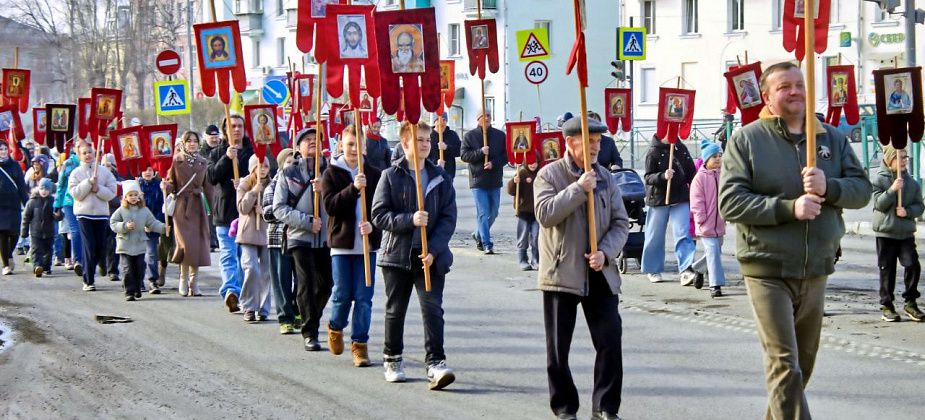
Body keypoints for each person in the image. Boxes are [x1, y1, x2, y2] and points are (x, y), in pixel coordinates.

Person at [719, 61, 871, 419]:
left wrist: (829, 187)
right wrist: (789, 208)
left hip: (816, 266)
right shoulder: (748, 139)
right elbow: (730, 201)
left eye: (799, 84)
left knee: (802, 366)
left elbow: (862, 190)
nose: (795, 91)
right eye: (784, 86)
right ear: (768, 98)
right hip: (767, 266)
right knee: (785, 365)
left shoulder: (830, 137)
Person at [534, 117, 629, 420]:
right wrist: (577, 188)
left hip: (599, 271)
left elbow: (620, 222)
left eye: (599, 142)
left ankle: (605, 407)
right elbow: (546, 214)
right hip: (563, 273)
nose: (595, 147)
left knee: (610, 340)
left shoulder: (606, 177)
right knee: (559, 348)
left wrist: (606, 252)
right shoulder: (549, 175)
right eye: (589, 141)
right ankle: (564, 407)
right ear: (570, 142)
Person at [370, 121, 457, 389]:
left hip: (429, 255)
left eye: (427, 139)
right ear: (405, 143)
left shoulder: (440, 178)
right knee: (396, 310)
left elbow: (448, 217)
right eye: (419, 139)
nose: (425, 144)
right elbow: (378, 215)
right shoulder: (391, 176)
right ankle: (393, 358)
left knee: (432, 309)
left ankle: (435, 362)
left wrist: (434, 249)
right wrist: (410, 219)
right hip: (397, 254)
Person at [321, 126, 382, 367]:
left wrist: (373, 228)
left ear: (365, 146)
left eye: (359, 144)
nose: (355, 149)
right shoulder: (332, 174)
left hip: (367, 247)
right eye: (350, 145)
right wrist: (353, 188)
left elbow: (380, 209)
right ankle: (335, 326)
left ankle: (360, 344)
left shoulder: (375, 174)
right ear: (341, 146)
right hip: (342, 245)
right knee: (342, 295)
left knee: (364, 298)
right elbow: (331, 206)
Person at [274, 128, 333, 352]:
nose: (312, 143)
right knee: (306, 283)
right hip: (300, 236)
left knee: (326, 284)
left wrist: (324, 190)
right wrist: (307, 221)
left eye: (316, 139)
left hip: (326, 238)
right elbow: (279, 208)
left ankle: (312, 318)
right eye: (307, 140)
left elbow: (339, 201)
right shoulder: (288, 173)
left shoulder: (330, 171)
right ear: (298, 147)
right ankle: (310, 333)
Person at [871, 146, 924, 322]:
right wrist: (892, 190)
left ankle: (910, 302)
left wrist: (907, 211)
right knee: (887, 269)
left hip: (905, 233)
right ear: (889, 159)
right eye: (899, 157)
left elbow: (919, 206)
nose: (903, 161)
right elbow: (879, 204)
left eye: (905, 157)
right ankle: (887, 305)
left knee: (912, 265)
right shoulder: (879, 180)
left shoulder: (911, 183)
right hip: (886, 232)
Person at [209, 115, 253, 310]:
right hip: (225, 210)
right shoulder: (217, 152)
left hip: (246, 212)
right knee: (228, 254)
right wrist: (227, 158)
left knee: (245, 256)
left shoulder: (252, 152)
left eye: (240, 126)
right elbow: (212, 177)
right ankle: (230, 291)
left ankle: (243, 292)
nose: (236, 130)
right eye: (232, 126)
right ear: (226, 130)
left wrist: (244, 183)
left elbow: (261, 175)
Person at [641, 133, 697, 284]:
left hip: (680, 197)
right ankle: (653, 269)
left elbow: (692, 172)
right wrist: (662, 176)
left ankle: (686, 269)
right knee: (655, 235)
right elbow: (647, 177)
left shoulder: (681, 148)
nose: (671, 133)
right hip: (659, 198)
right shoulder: (653, 152)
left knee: (683, 233)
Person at [166, 131, 214, 297]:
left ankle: (194, 281)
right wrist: (166, 187)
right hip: (182, 206)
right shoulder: (176, 161)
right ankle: (183, 279)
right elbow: (171, 183)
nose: (192, 144)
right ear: (184, 143)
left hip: (198, 206)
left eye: (195, 141)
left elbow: (208, 186)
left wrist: (211, 208)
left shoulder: (203, 162)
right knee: (186, 244)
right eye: (189, 141)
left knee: (198, 244)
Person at [69, 141, 118, 290]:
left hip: (101, 214)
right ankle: (88, 280)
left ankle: (101, 262)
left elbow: (112, 192)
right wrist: (88, 183)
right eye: (84, 153)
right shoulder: (76, 173)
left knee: (101, 246)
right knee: (89, 246)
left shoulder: (104, 172)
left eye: (90, 152)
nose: (88, 155)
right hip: (84, 214)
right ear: (79, 155)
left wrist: (98, 189)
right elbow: (75, 194)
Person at [460, 112, 508, 254]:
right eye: (483, 116)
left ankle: (478, 233)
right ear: (478, 119)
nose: (486, 118)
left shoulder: (500, 135)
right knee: (483, 212)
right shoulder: (470, 136)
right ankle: (487, 243)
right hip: (478, 179)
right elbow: (464, 155)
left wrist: (494, 163)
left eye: (488, 116)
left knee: (493, 212)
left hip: (494, 179)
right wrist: (480, 152)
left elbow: (506, 156)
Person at [110, 180, 166, 301]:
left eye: (136, 195)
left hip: (139, 245)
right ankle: (129, 291)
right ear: (125, 197)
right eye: (130, 195)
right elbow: (113, 223)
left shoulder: (144, 210)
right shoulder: (121, 210)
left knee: (140, 268)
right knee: (127, 269)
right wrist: (124, 226)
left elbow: (152, 222)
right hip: (125, 245)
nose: (133, 197)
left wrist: (163, 228)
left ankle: (137, 288)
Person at [264, 148, 298, 334]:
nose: (292, 166)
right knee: (281, 280)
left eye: (295, 163)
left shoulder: (302, 183)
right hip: (278, 238)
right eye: (289, 162)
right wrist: (288, 212)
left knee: (301, 279)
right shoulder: (273, 185)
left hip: (300, 238)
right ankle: (285, 317)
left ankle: (297, 308)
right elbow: (268, 213)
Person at [237, 155, 273, 322]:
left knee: (267, 272)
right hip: (248, 233)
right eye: (259, 166)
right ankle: (249, 306)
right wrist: (253, 193)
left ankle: (264, 308)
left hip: (267, 233)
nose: (263, 169)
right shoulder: (244, 185)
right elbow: (242, 208)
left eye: (265, 166)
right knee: (251, 268)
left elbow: (277, 208)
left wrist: (264, 211)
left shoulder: (273, 184)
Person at [689, 140, 726, 297]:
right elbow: (696, 201)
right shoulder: (699, 178)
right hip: (705, 223)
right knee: (712, 251)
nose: (718, 159)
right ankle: (715, 285)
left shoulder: (723, 175)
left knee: (715, 252)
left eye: (719, 156)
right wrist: (700, 219)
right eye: (714, 157)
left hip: (720, 224)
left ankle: (698, 268)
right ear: (706, 160)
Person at [506, 157, 540, 270]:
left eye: (535, 162)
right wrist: (513, 182)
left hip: (536, 212)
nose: (533, 165)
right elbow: (511, 191)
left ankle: (536, 259)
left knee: (536, 237)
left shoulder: (541, 173)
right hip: (523, 212)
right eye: (530, 162)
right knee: (523, 236)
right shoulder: (521, 172)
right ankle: (522, 259)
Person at [0, 140, 28, 274]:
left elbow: (21, 186)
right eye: (0, 149)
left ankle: (9, 254)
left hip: (13, 205)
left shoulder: (15, 165)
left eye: (5, 149)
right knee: (2, 235)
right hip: (0, 206)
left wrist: (27, 203)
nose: (3, 152)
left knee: (14, 233)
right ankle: (6, 264)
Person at [21, 178, 58, 277]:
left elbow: (58, 215)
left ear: (50, 190)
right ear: (38, 189)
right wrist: (24, 231)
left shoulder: (52, 201)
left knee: (48, 250)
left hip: (49, 231)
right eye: (42, 189)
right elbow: (26, 217)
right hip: (36, 231)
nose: (44, 191)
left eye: (46, 189)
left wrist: (57, 215)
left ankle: (46, 267)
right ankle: (37, 266)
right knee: (36, 250)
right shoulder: (32, 201)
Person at [139, 166, 167, 293]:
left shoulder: (158, 186)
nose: (148, 172)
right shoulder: (136, 185)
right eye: (145, 170)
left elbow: (161, 207)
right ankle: (138, 280)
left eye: (150, 170)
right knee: (137, 254)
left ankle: (152, 280)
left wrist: (154, 224)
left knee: (151, 253)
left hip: (153, 224)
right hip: (138, 226)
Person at [55, 150, 82, 274]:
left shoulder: (94, 163)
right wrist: (57, 204)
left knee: (85, 231)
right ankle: (78, 261)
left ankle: (88, 259)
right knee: (75, 230)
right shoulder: (68, 163)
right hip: (69, 201)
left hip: (87, 201)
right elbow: (61, 185)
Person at [202, 124, 222, 251]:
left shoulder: (222, 150)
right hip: (206, 187)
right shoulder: (201, 152)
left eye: (216, 136)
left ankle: (218, 239)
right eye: (211, 137)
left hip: (220, 186)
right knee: (208, 214)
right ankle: (210, 240)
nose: (214, 139)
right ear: (206, 137)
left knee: (219, 213)